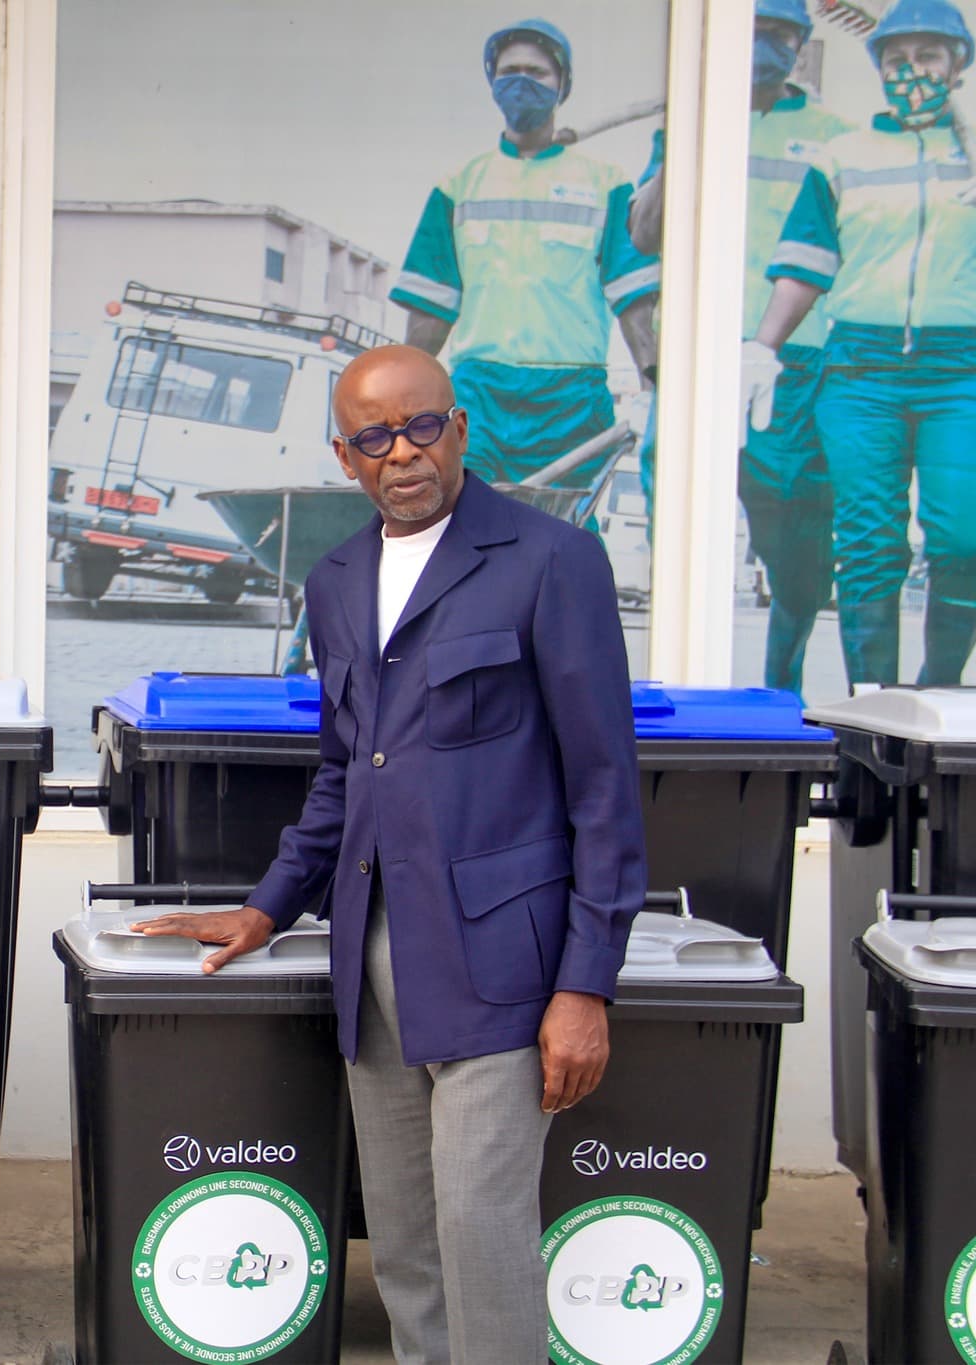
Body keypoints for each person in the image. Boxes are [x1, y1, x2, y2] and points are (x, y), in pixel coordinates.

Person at [140, 346, 646, 1363]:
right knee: (408, 1242)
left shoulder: (550, 559)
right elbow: (343, 772)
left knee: (477, 1228)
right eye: (374, 438)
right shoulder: (336, 582)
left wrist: (584, 984)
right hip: (370, 956)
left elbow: (603, 788)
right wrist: (268, 907)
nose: (401, 454)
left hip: (501, 960)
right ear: (345, 456)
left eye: (420, 428)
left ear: (458, 431)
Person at [749, 0, 976, 685]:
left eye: (929, 58)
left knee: (967, 539)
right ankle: (875, 708)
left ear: (958, 65)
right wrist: (763, 347)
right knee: (870, 544)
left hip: (961, 370)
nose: (912, 71)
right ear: (879, 67)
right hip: (859, 371)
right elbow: (804, 267)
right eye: (896, 59)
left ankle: (941, 689)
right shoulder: (843, 157)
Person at [629, 0, 854, 694]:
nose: (764, 45)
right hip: (699, 359)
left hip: (796, 366)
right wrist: (687, 137)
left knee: (799, 557)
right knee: (674, 523)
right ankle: (676, 695)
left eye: (781, 34)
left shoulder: (834, 138)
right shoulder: (689, 124)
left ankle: (779, 689)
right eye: (753, 31)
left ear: (801, 47)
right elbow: (643, 232)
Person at [392, 19, 660, 488]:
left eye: (537, 72)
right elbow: (430, 315)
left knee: (567, 535)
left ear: (563, 86)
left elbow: (633, 299)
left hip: (571, 398)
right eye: (510, 70)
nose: (522, 81)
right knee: (471, 527)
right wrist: (396, 403)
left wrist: (653, 385)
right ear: (492, 83)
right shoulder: (458, 186)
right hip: (479, 392)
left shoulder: (605, 182)